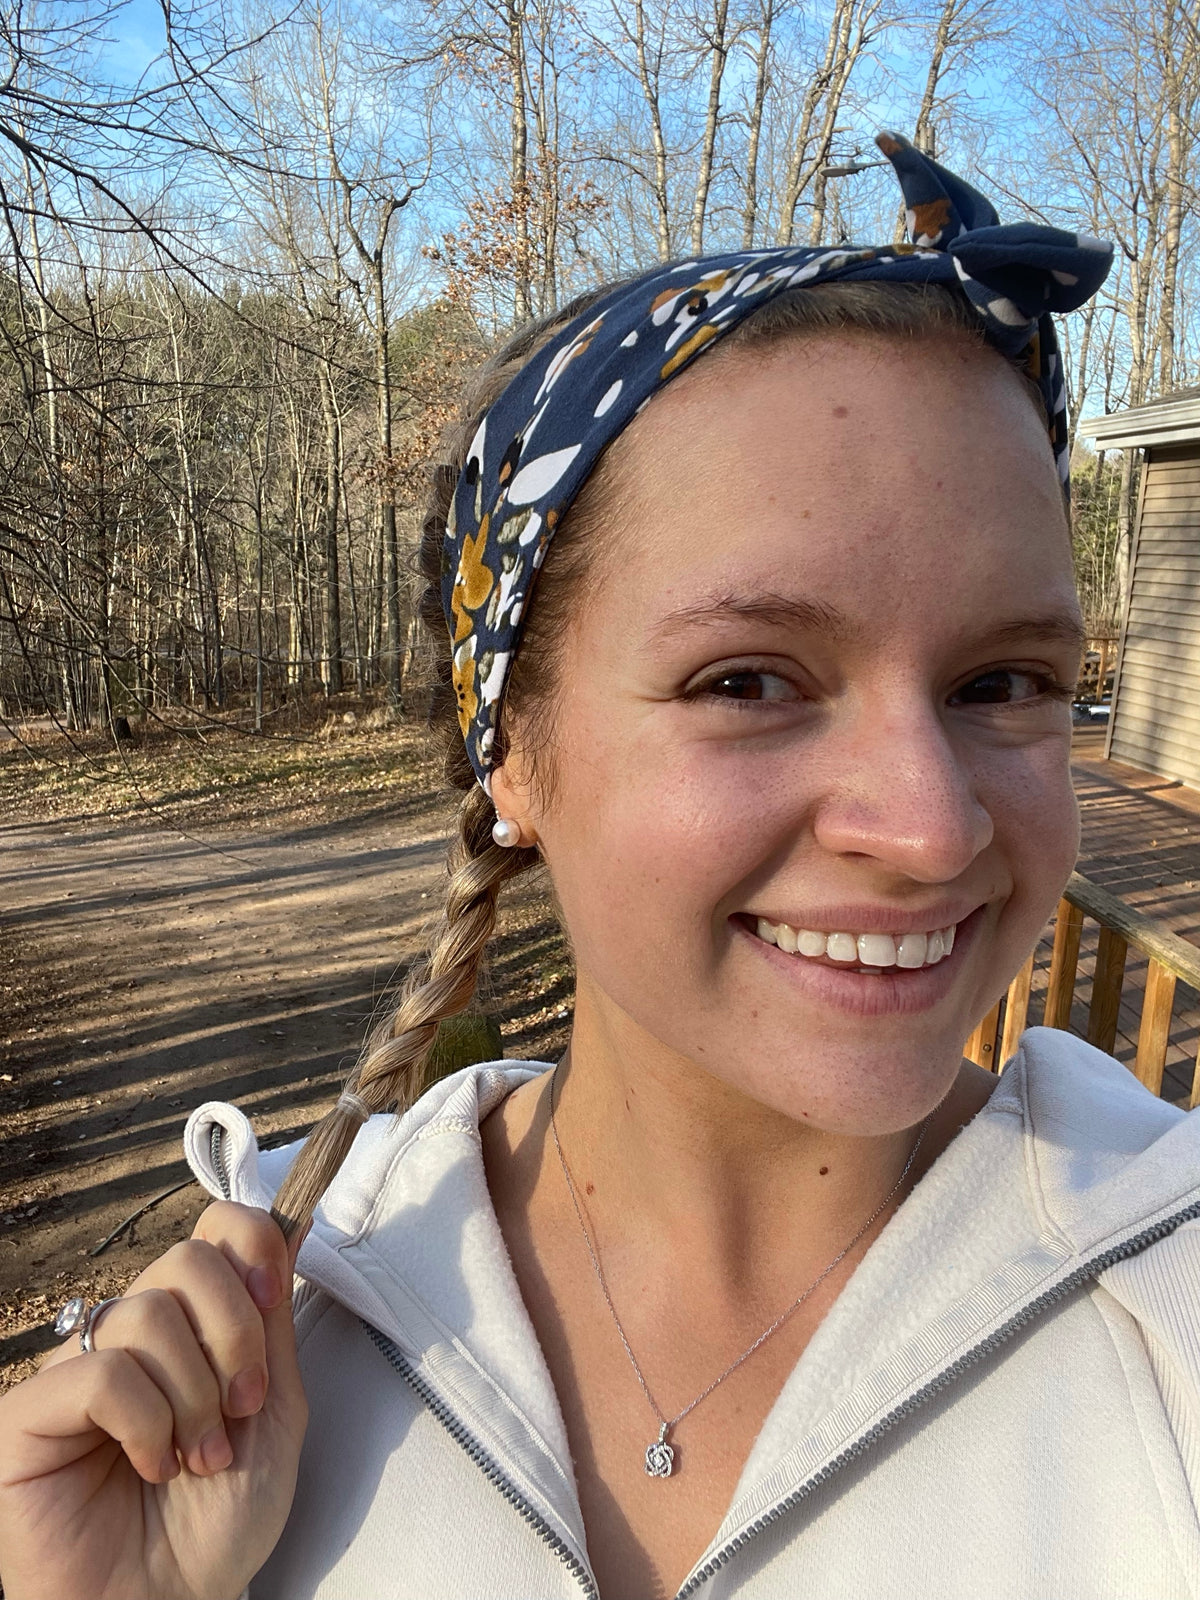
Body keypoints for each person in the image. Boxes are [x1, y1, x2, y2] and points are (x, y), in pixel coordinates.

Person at [2, 134, 1199, 1600]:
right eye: (749, 681)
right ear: (512, 746)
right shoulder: (285, 1347)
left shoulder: (1168, 1301)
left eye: (1005, 680)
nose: (933, 827)